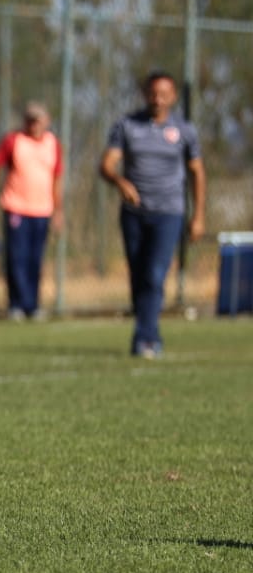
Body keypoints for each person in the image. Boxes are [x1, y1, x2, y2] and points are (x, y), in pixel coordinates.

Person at [99, 70, 206, 359]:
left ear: (173, 97)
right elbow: (107, 164)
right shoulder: (126, 126)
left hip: (169, 212)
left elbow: (197, 172)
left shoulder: (185, 131)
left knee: (155, 274)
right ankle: (147, 328)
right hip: (133, 213)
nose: (157, 99)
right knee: (138, 274)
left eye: (163, 93)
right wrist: (119, 181)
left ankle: (146, 338)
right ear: (145, 94)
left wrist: (199, 216)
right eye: (152, 93)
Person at [0, 101, 63, 320]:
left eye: (38, 120)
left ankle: (33, 304)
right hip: (16, 208)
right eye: (30, 120)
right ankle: (16, 304)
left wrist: (58, 210)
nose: (34, 124)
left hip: (43, 210)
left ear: (47, 121)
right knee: (16, 257)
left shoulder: (53, 144)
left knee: (35, 259)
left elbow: (57, 179)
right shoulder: (13, 140)